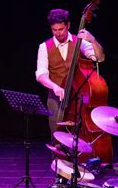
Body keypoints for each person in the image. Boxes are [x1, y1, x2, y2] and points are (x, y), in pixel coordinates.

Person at [35, 8, 105, 136]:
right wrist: (54, 87)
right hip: (55, 99)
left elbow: (99, 58)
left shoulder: (79, 42)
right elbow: (41, 75)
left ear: (68, 25)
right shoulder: (44, 47)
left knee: (78, 136)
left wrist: (93, 40)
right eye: (54, 30)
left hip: (78, 98)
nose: (58, 33)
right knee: (57, 137)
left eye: (61, 29)